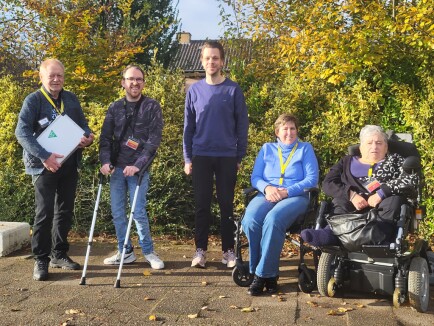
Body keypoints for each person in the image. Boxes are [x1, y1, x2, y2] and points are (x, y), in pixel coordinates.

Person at [15, 59, 94, 281]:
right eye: (52, 76)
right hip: (43, 166)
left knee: (65, 211)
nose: (56, 79)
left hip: (69, 164)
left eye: (60, 75)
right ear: (41, 77)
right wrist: (45, 156)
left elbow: (83, 125)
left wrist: (87, 138)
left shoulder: (70, 99)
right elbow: (21, 133)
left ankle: (59, 254)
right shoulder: (33, 101)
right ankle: (41, 259)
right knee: (44, 213)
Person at [183, 41, 249, 269]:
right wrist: (187, 158)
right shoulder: (194, 90)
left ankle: (228, 251)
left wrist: (239, 155)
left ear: (222, 61)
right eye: (207, 58)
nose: (211, 62)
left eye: (215, 58)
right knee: (201, 205)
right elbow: (188, 127)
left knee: (226, 205)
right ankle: (200, 251)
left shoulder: (233, 90)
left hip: (227, 157)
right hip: (200, 155)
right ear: (202, 61)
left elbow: (242, 125)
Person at [301, 125, 418, 247]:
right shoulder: (346, 161)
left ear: (386, 147)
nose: (374, 147)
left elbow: (410, 179)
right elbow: (328, 183)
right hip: (351, 209)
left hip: (381, 210)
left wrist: (382, 193)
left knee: (395, 200)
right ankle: (330, 233)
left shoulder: (396, 161)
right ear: (361, 147)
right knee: (340, 200)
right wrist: (351, 195)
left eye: (379, 143)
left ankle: (377, 236)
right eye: (369, 143)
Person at [241, 114, 319, 296]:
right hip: (268, 193)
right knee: (251, 220)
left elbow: (312, 179)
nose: (289, 133)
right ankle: (260, 271)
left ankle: (262, 276)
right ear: (277, 132)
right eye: (285, 129)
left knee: (273, 219)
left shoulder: (305, 149)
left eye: (293, 128)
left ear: (297, 131)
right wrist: (267, 188)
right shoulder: (267, 149)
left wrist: (286, 191)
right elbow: (256, 177)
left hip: (296, 196)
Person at [99, 64, 164, 270]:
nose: (135, 83)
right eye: (130, 79)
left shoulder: (152, 107)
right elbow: (105, 139)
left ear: (143, 82)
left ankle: (148, 251)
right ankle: (124, 251)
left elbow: (153, 142)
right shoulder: (114, 108)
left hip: (138, 171)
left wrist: (137, 166)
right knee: (118, 212)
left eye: (139, 79)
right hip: (116, 169)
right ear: (123, 82)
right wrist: (105, 161)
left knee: (138, 212)